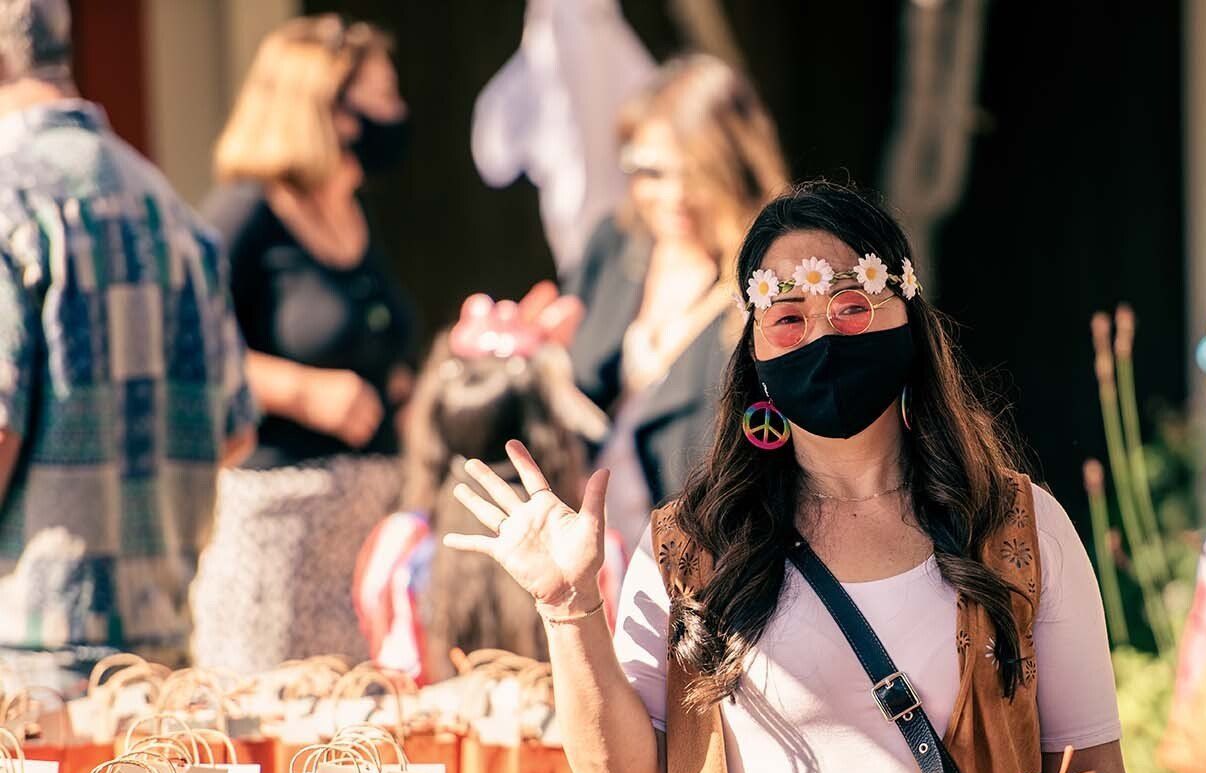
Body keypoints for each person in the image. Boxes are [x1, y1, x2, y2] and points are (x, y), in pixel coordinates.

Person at [447, 181, 1134, 773]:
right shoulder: (691, 547)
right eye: (788, 317)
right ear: (756, 352)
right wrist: (569, 608)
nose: (822, 335)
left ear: (910, 322)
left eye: (851, 304)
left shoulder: (1019, 530)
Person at [0, 0, 254, 694]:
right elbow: (234, 429)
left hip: (32, 655)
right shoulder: (167, 203)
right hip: (161, 653)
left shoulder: (8, 195)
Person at [190, 15, 416, 674]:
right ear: (321, 111)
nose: (392, 116)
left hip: (367, 528)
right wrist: (301, 389)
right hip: (278, 528)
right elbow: (193, 348)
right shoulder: (243, 214)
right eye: (376, 100)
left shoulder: (354, 208)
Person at [566, 55, 789, 561]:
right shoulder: (617, 247)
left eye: (696, 173)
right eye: (650, 172)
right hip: (588, 558)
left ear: (736, 166)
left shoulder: (768, 286)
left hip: (701, 567)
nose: (676, 195)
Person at [355, 288, 606, 682]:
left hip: (435, 739)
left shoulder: (397, 554)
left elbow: (395, 676)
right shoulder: (594, 554)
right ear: (553, 438)